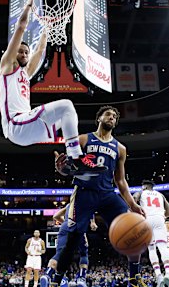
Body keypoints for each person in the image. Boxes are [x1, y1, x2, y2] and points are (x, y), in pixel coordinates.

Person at [0, 0, 105, 176]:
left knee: (67, 117)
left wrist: (47, 27)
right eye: (20, 51)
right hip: (16, 123)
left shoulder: (25, 74)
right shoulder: (6, 67)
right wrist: (30, 4)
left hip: (25, 129)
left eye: (25, 52)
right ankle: (76, 157)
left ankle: (66, 164)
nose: (23, 54)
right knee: (66, 105)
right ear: (12, 53)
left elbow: (39, 51)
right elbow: (21, 27)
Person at [46, 106, 144, 287]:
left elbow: (121, 181)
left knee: (133, 230)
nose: (112, 117)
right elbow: (69, 166)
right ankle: (56, 280)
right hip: (84, 192)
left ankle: (134, 278)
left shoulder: (120, 148)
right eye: (108, 114)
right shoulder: (83, 139)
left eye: (115, 116)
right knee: (73, 239)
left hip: (107, 194)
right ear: (99, 118)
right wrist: (62, 169)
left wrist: (133, 204)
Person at [41, 206, 98, 287]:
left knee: (59, 254)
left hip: (65, 227)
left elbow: (56, 216)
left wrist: (67, 224)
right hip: (78, 227)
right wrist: (92, 222)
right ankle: (81, 278)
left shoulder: (69, 205)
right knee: (83, 253)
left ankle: (47, 275)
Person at [134, 180, 169, 287]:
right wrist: (161, 215)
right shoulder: (160, 195)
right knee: (163, 247)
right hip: (160, 219)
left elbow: (133, 199)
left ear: (145, 187)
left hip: (147, 219)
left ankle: (158, 275)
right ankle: (168, 273)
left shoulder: (141, 192)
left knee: (151, 248)